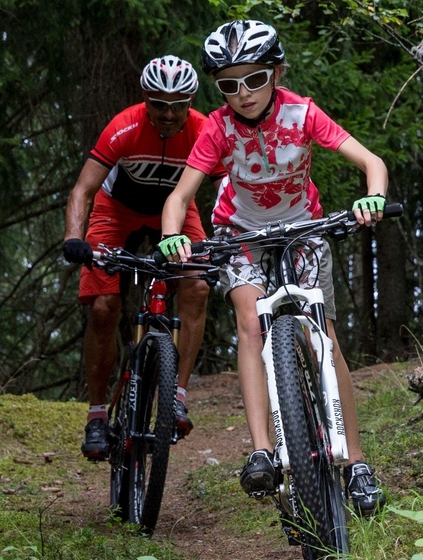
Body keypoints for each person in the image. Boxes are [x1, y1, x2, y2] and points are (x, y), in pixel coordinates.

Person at [158, 20, 388, 516]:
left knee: (323, 335)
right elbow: (180, 196)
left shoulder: (302, 113)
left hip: (302, 229)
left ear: (277, 72)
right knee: (249, 324)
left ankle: (356, 463)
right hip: (240, 234)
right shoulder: (217, 128)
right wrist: (172, 234)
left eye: (255, 79)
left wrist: (373, 197)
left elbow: (371, 162)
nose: (243, 94)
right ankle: (262, 448)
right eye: (229, 85)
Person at [63, 55, 221, 461]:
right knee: (103, 306)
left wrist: (231, 238)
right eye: (158, 104)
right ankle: (98, 414)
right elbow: (83, 190)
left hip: (178, 212)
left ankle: (177, 396)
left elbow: (229, 188)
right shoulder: (125, 127)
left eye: (178, 104)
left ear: (190, 102)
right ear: (145, 101)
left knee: (198, 286)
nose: (168, 114)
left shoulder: (204, 130)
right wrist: (73, 237)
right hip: (118, 211)